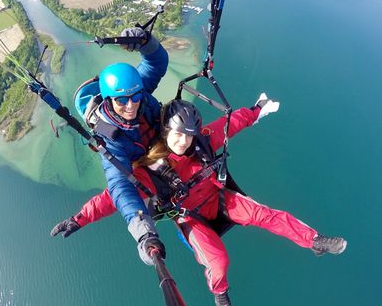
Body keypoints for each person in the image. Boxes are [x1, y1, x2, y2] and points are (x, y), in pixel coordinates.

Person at [52, 97, 347, 306]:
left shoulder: (202, 141)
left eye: (189, 135)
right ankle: (220, 295)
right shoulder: (148, 171)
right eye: (178, 135)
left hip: (219, 199)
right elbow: (112, 197)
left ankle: (315, 242)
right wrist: (79, 219)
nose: (184, 141)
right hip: (191, 216)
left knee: (264, 214)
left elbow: (230, 124)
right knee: (218, 262)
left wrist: (257, 110)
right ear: (166, 130)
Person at [86, 26, 170, 266]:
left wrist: (145, 41)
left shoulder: (139, 92)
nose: (131, 105)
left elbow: (157, 62)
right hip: (140, 160)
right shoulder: (110, 136)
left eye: (135, 96)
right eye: (121, 100)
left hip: (159, 146)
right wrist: (144, 232)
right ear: (110, 99)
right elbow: (119, 185)